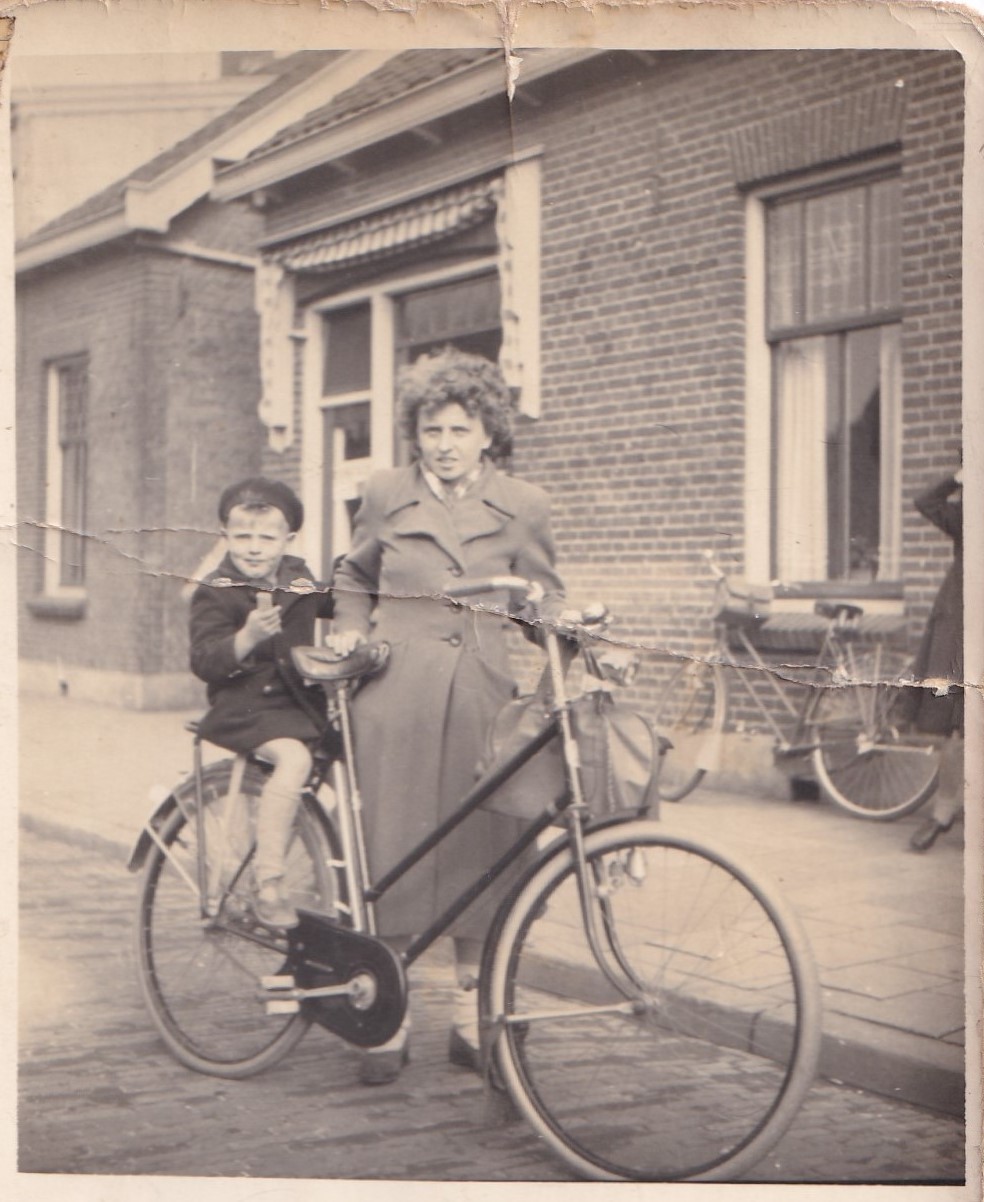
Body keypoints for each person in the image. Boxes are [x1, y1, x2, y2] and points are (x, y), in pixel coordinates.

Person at [326, 346, 569, 1084]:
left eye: (460, 429)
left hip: (480, 700)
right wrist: (350, 629)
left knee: (482, 851)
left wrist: (565, 631)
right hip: (394, 697)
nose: (445, 444)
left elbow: (543, 597)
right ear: (416, 433)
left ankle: (472, 1017)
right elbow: (353, 573)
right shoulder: (383, 492)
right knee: (393, 851)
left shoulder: (525, 504)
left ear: (488, 433)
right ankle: (386, 1015)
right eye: (432, 429)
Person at [190, 477, 334, 928]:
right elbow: (205, 660)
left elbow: (336, 601)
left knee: (351, 757)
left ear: (289, 539)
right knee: (293, 761)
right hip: (245, 707)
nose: (253, 548)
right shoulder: (215, 589)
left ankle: (335, 872)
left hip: (298, 704)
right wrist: (247, 637)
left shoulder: (298, 578)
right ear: (225, 536)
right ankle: (269, 880)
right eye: (242, 537)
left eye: (267, 538)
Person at [907, 468, 964, 852]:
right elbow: (925, 501)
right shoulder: (969, 518)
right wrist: (959, 476)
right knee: (958, 729)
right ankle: (943, 812)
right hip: (965, 630)